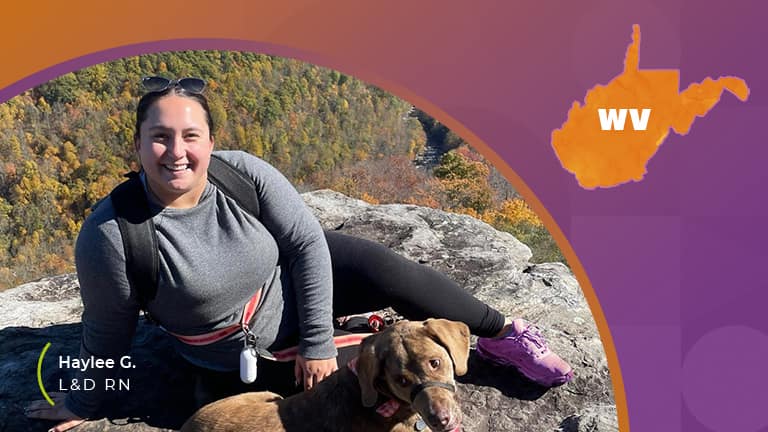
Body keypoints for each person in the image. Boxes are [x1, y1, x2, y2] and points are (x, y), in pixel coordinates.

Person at [25, 76, 573, 431]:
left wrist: (317, 342)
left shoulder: (242, 175)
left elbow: (306, 243)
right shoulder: (112, 233)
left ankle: (504, 335)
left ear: (211, 141)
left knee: (381, 265)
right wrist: (84, 402)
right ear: (138, 144)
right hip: (233, 348)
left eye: (191, 135)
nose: (177, 152)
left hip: (290, 282)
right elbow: (107, 329)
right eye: (160, 137)